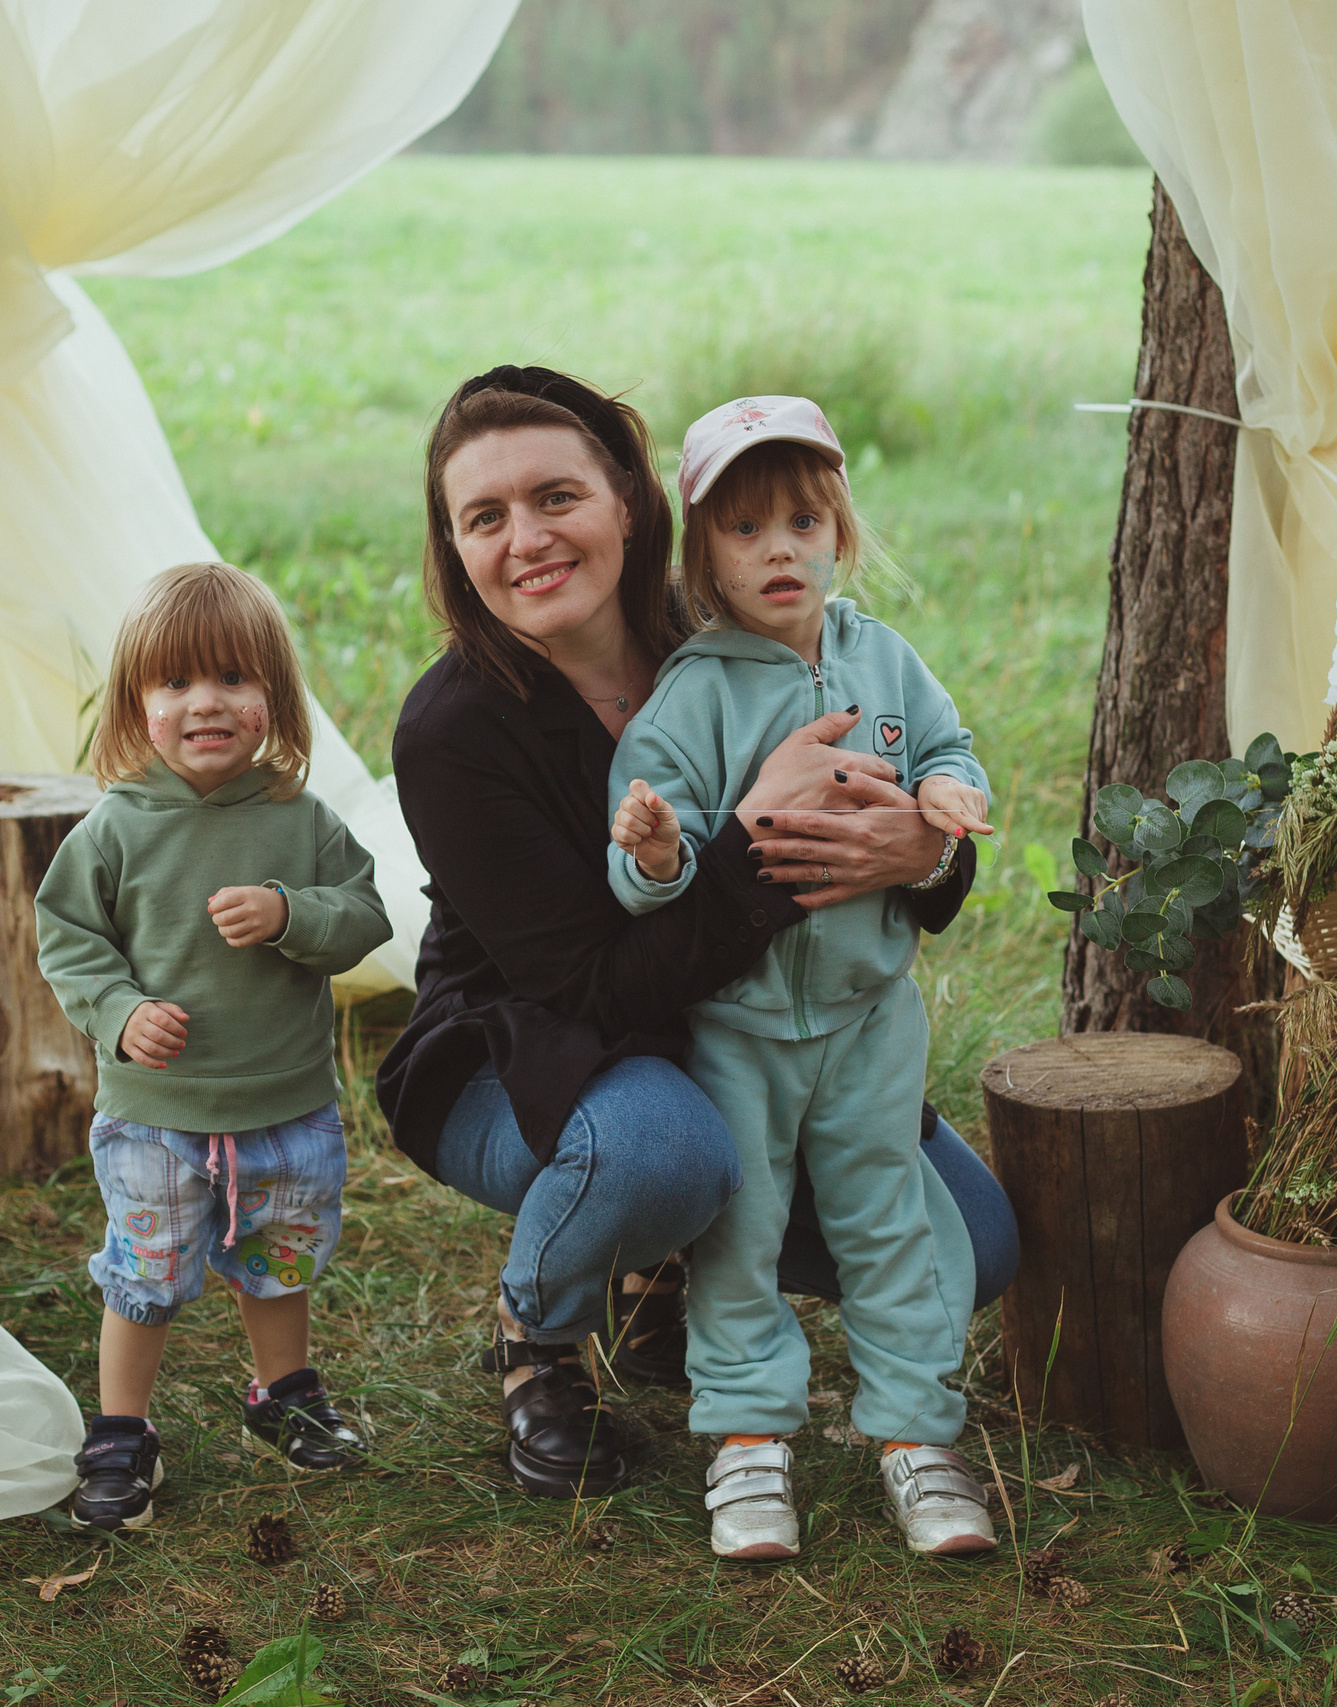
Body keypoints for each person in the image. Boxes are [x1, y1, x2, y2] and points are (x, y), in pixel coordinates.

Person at [377, 365, 1021, 1504]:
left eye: (556, 497)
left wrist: (923, 849)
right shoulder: (453, 728)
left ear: (630, 503)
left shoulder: (737, 626)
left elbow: (913, 795)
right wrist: (756, 835)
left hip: (748, 1019)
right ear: (455, 547)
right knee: (663, 1155)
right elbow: (593, 986)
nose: (526, 538)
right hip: (527, 1044)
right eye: (484, 517)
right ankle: (540, 1331)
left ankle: (659, 1276)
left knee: (975, 1237)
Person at [608, 396, 997, 1561]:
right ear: (703, 558)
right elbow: (654, 839)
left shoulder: (884, 659)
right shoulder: (695, 690)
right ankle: (746, 1438)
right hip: (738, 1028)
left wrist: (948, 795)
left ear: (840, 534)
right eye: (744, 530)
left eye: (802, 522)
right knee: (741, 1229)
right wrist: (656, 850)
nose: (778, 550)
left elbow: (946, 748)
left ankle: (916, 1436)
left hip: (870, 1013)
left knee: (890, 1216)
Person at [36, 562, 393, 1529]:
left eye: (235, 677)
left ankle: (282, 1392)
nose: (207, 702)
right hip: (157, 1114)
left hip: (285, 1106)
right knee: (144, 1272)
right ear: (136, 704)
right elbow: (68, 938)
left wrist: (291, 912)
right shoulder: (116, 829)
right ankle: (122, 1428)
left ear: (275, 694)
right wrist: (119, 1011)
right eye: (177, 681)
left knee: (278, 1257)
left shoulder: (300, 820)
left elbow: (365, 913)